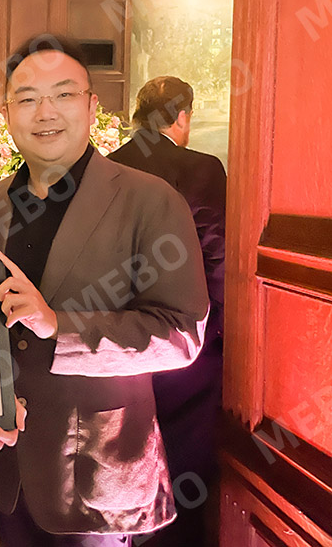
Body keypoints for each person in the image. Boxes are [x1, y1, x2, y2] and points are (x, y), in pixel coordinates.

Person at [0, 35, 210, 546]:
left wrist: (60, 327)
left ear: (92, 107)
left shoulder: (149, 199)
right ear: (7, 114)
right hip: (7, 471)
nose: (45, 112)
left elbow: (181, 335)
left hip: (99, 473)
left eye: (63, 94)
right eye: (27, 98)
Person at [109, 76, 226, 547]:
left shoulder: (105, 166)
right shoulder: (202, 169)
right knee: (186, 454)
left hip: (118, 340)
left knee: (123, 450)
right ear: (182, 117)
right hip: (187, 341)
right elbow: (218, 253)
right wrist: (219, 331)